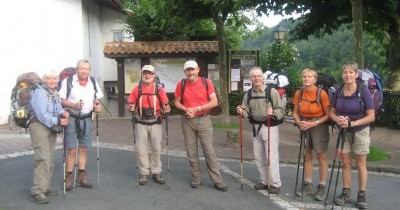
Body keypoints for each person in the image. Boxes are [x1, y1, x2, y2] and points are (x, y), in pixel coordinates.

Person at [174, 60, 227, 191]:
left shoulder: (206, 82)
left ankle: (217, 180)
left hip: (204, 119)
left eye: (192, 69)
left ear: (197, 70)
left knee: (209, 151)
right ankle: (196, 178)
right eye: (188, 70)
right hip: (187, 120)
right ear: (185, 72)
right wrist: (185, 109)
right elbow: (176, 102)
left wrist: (197, 109)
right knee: (191, 151)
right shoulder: (181, 84)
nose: (190, 72)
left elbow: (214, 102)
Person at [330, 62, 374, 209]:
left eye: (350, 72)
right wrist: (339, 120)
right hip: (343, 131)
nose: (347, 75)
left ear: (356, 75)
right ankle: (346, 192)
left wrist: (353, 123)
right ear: (342, 75)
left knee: (361, 165)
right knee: (346, 164)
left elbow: (371, 116)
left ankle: (362, 194)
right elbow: (332, 112)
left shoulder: (364, 91)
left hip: (360, 131)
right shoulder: (340, 90)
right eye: (345, 73)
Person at [236, 67, 285, 194]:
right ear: (250, 78)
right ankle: (264, 181)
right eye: (254, 76)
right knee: (258, 156)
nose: (256, 78)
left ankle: (275, 183)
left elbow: (281, 110)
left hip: (270, 127)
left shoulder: (271, 91)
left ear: (262, 77)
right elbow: (246, 111)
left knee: (271, 157)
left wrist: (273, 112)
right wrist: (242, 111)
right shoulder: (249, 94)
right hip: (255, 128)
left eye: (258, 76)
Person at [59, 59, 103, 190]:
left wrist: (97, 105)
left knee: (83, 148)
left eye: (86, 69)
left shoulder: (93, 82)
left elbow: (96, 98)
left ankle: (81, 176)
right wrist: (73, 105)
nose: (84, 71)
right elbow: (61, 100)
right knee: (71, 149)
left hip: (87, 119)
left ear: (89, 70)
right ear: (77, 69)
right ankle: (69, 177)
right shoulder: (68, 82)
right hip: (72, 118)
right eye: (81, 68)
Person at [29, 70, 69, 204]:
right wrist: (58, 121)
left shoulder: (54, 93)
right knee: (43, 158)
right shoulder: (40, 93)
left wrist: (64, 113)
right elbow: (41, 115)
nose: (53, 81)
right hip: (39, 126)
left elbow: (57, 108)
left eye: (55, 79)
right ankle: (38, 191)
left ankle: (44, 187)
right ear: (45, 79)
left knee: (50, 158)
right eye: (50, 78)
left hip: (50, 126)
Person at [127, 65, 171, 185]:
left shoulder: (159, 89)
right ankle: (144, 173)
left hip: (156, 122)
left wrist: (167, 108)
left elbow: (167, 106)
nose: (147, 75)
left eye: (150, 73)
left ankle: (156, 171)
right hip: (141, 122)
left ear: (154, 75)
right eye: (145, 73)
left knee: (156, 148)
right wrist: (131, 107)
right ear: (142, 75)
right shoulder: (137, 89)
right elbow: (130, 105)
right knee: (141, 149)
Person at [292, 68, 331, 200]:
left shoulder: (322, 93)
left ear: (315, 79)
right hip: (304, 124)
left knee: (321, 156)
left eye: (309, 77)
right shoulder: (299, 93)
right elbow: (295, 111)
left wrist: (314, 123)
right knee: (307, 155)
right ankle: (307, 184)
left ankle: (322, 186)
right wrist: (299, 122)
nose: (306, 79)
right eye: (304, 76)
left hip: (319, 125)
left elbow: (328, 114)